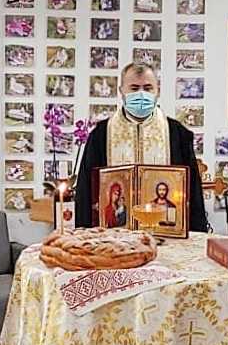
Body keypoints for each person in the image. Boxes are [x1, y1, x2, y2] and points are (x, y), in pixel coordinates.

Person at [75, 62, 208, 231]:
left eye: (147, 88)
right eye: (134, 88)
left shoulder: (177, 134)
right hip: (114, 237)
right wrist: (83, 234)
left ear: (157, 90)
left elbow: (193, 192)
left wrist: (198, 234)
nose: (141, 94)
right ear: (121, 91)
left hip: (166, 234)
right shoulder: (101, 135)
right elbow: (86, 191)